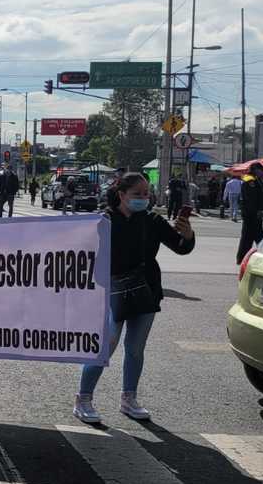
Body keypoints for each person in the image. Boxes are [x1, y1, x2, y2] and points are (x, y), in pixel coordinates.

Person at [74, 173, 194, 424]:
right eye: (137, 194)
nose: (143, 198)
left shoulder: (152, 220)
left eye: (146, 194)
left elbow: (181, 247)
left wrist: (188, 235)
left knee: (136, 349)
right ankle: (83, 399)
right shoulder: (104, 221)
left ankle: (129, 398)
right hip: (112, 291)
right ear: (121, 195)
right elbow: (81, 253)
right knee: (105, 346)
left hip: (145, 291)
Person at [237, 163, 263, 263]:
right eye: (261, 170)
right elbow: (251, 199)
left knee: (249, 236)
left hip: (252, 213)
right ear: (255, 170)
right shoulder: (250, 181)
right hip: (251, 214)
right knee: (256, 237)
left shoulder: (255, 180)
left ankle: (242, 258)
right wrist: (257, 211)